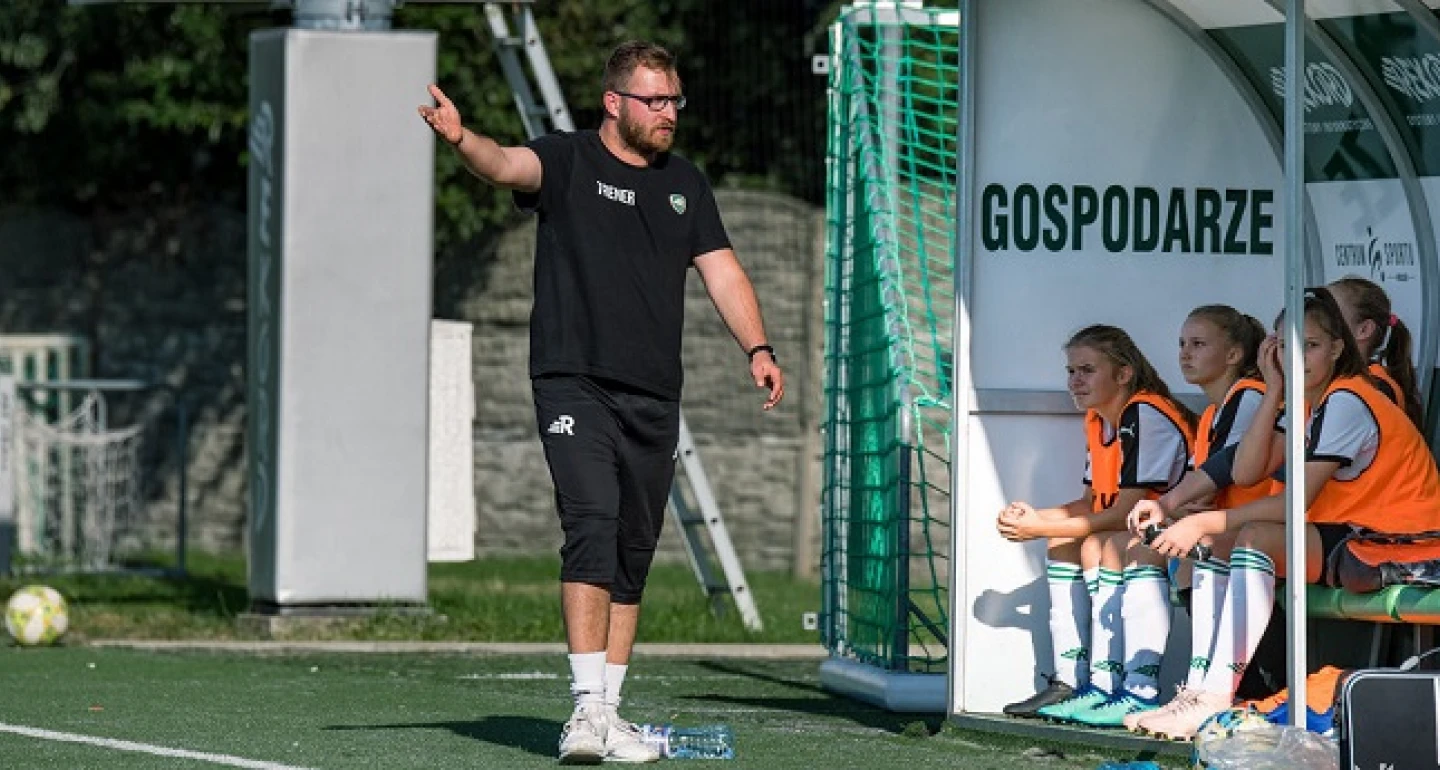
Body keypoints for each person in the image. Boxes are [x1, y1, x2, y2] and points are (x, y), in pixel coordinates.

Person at [419, 41, 785, 764]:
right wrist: (462, 139)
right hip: (574, 382)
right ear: (614, 102)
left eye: (675, 100)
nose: (668, 112)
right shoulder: (568, 159)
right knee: (591, 522)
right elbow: (505, 165)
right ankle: (585, 711)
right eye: (655, 100)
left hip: (655, 393)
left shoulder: (686, 184)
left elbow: (723, 273)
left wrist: (759, 347)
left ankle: (610, 716)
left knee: (632, 551)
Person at [1133, 287, 1440, 741]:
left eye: (1309, 345)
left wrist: (1201, 520)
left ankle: (1215, 695)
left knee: (1252, 536)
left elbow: (1294, 502)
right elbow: (1244, 468)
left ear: (1337, 348)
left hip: (1405, 547)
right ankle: (1199, 692)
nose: (1296, 357)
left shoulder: (1348, 399)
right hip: (1357, 538)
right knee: (1215, 543)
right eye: (1284, 346)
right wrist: (1274, 388)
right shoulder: (1308, 401)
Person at [997, 325, 1195, 728]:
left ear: (1123, 374)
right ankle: (1073, 682)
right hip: (1143, 528)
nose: (1075, 381)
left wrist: (1037, 528)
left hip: (1181, 530)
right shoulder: (1100, 420)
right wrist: (1035, 518)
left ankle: (1133, 688)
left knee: (1101, 545)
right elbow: (1092, 504)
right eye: (1071, 371)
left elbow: (1126, 511)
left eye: (1087, 370)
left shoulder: (1144, 413)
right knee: (1063, 541)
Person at [1121, 305, 1266, 731]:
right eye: (1182, 344)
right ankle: (1197, 691)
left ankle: (1217, 694)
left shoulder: (1249, 396)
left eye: (1198, 344)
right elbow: (1207, 482)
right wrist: (1178, 511)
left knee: (1200, 545)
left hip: (1264, 525)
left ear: (1234, 354)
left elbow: (1232, 471)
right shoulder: (1212, 413)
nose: (1185, 353)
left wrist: (1183, 513)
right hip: (1235, 523)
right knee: (1176, 547)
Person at [1328, 275, 1422, 426]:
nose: (1317, 321)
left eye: (1329, 315)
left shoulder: (1371, 389)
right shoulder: (1341, 378)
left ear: (1364, 330)